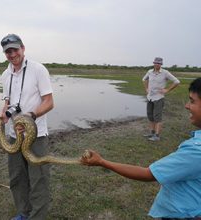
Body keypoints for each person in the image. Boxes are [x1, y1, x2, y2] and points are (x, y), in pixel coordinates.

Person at [81, 77, 201, 219]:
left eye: (192, 101)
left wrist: (102, 162)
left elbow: (148, 174)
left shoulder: (196, 151)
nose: (187, 105)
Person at [0, 34, 54, 220]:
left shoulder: (38, 70)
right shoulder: (5, 74)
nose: (12, 54)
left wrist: (30, 116)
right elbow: (8, 102)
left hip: (36, 135)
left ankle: (37, 216)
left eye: (14, 49)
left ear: (23, 48)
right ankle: (23, 213)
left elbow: (49, 102)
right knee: (17, 177)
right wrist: (3, 116)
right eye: (8, 51)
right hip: (14, 136)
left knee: (39, 179)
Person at [142, 57, 180, 141]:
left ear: (161, 64)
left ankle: (157, 136)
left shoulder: (165, 73)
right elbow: (144, 79)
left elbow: (177, 81)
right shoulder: (149, 72)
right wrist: (146, 89)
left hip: (159, 98)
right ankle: (151, 132)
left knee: (157, 117)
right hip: (150, 98)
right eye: (155, 63)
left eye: (159, 63)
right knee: (150, 116)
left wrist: (167, 90)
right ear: (153, 63)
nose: (157, 64)